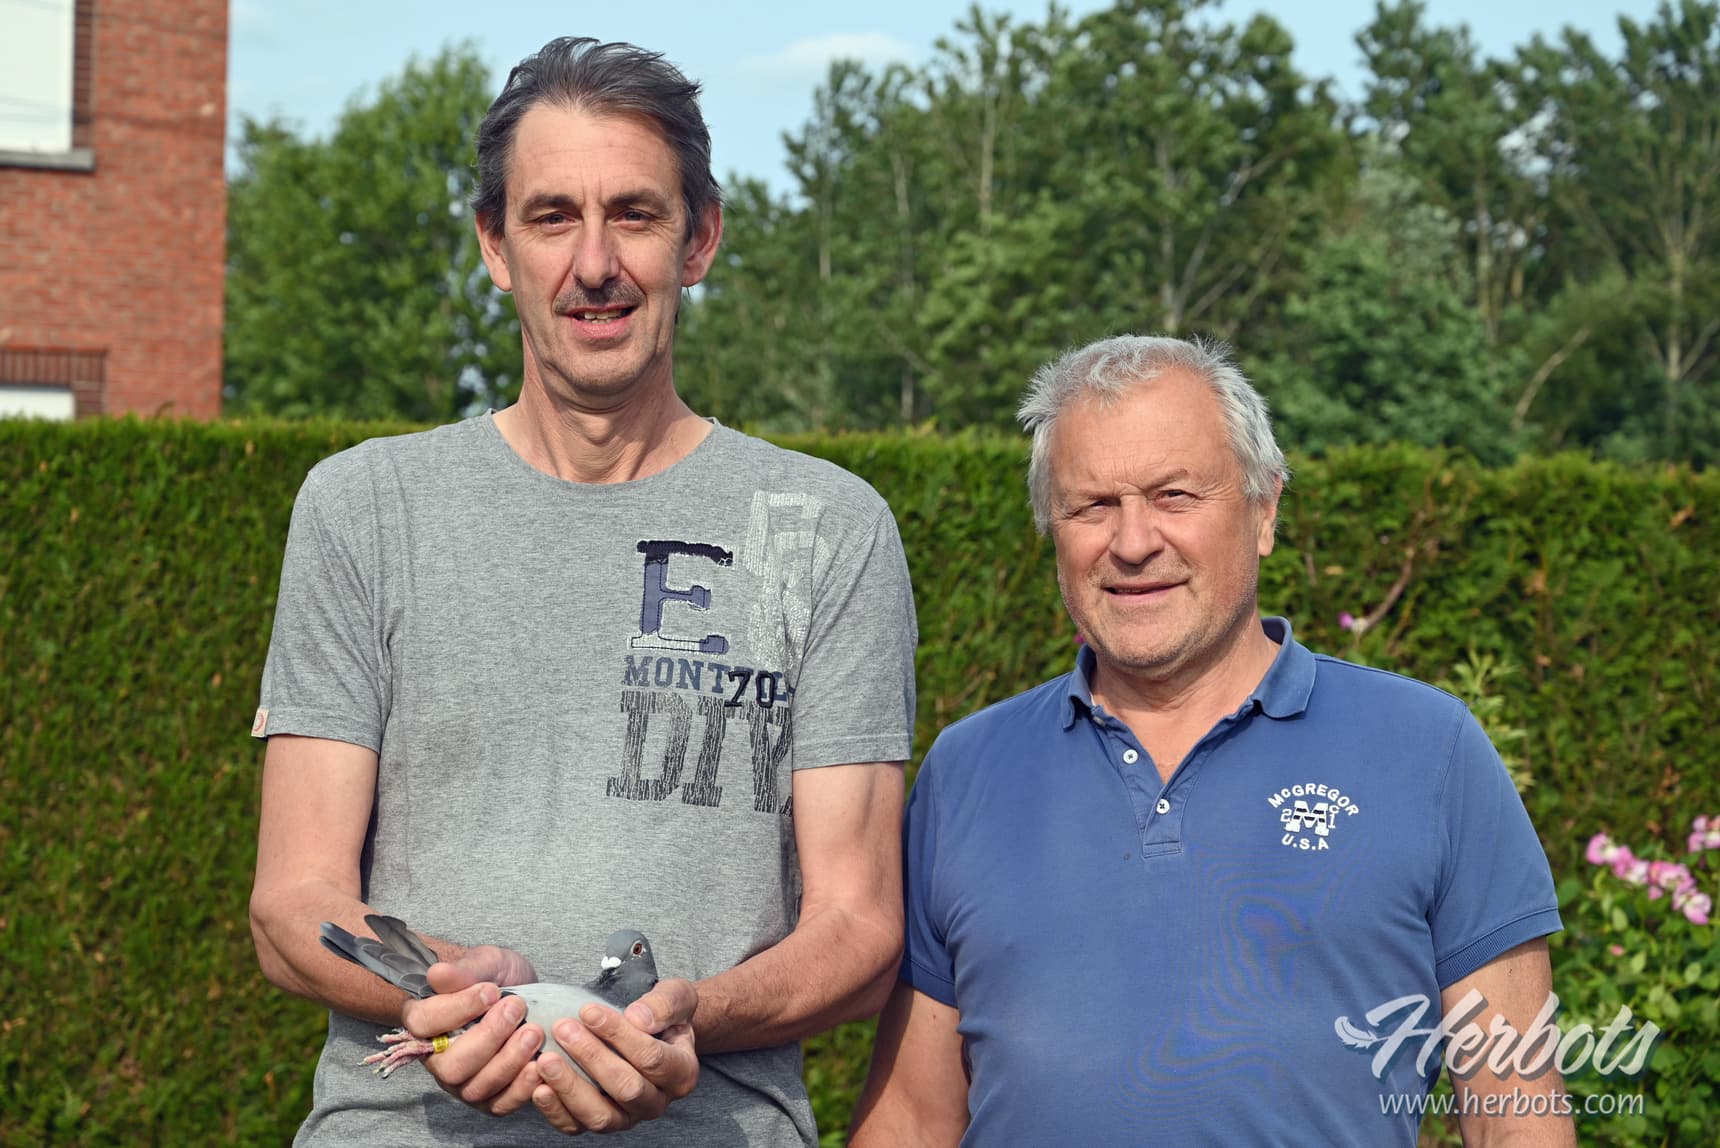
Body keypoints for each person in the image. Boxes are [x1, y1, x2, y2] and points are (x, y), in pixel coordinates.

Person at [248, 37, 917, 1147]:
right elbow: (291, 901)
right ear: (494, 244)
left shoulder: (827, 527)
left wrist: (688, 1017)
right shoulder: (365, 508)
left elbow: (858, 926)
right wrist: (442, 985)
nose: (593, 263)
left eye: (635, 215)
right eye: (552, 217)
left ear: (699, 240)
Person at [850, 335, 1574, 1147]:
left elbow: (1515, 1115)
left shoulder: (1428, 752)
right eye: (1093, 505)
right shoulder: (968, 771)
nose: (1133, 543)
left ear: (1265, 511)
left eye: (1174, 495)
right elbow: (912, 1119)